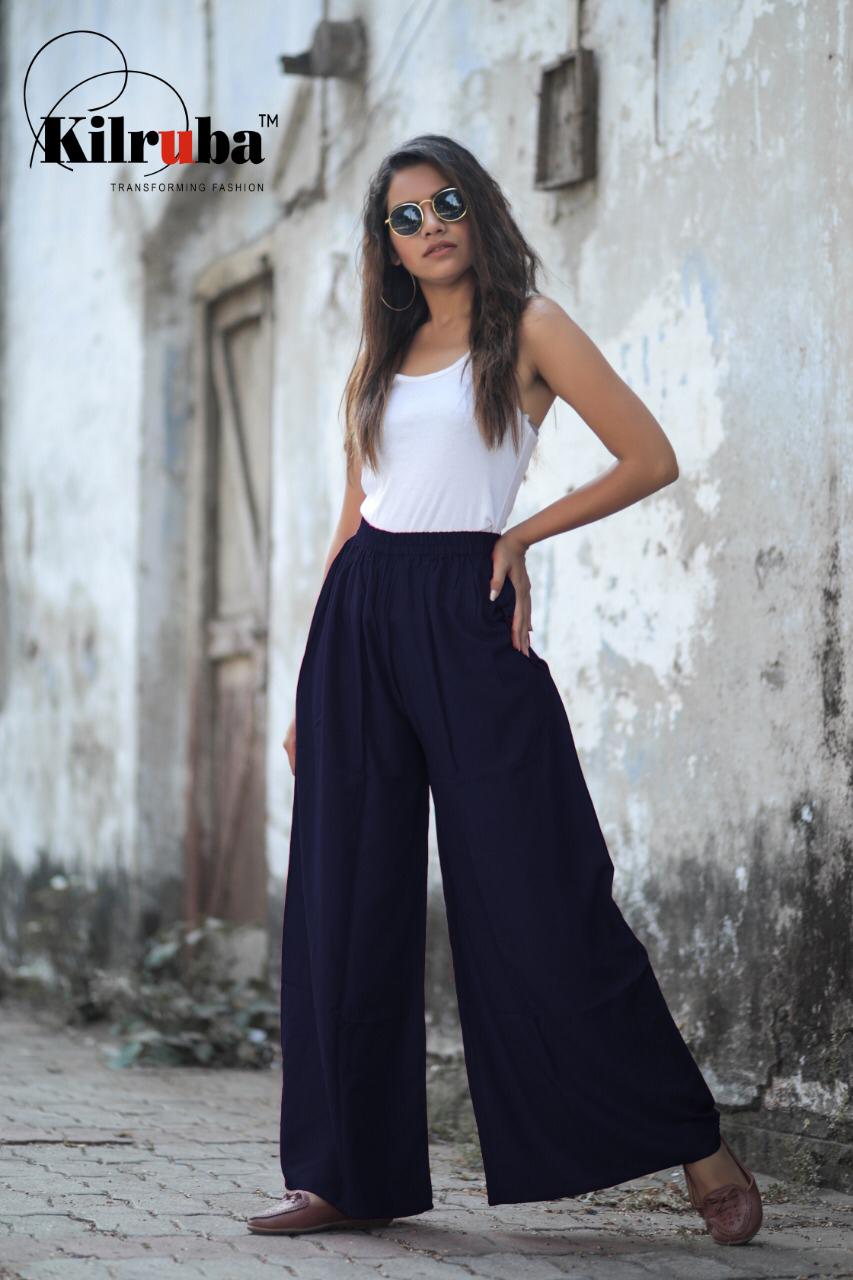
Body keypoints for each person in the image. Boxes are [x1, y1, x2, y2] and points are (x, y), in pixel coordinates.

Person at [247, 134, 763, 1246]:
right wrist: (308, 683)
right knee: (343, 901)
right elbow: (354, 517)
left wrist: (519, 534)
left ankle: (694, 1140)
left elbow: (648, 456)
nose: (428, 226)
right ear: (386, 244)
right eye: (404, 217)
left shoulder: (528, 326)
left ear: (476, 209)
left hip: (466, 607)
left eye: (444, 204)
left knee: (543, 885)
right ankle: (342, 1170)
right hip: (359, 619)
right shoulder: (379, 353)